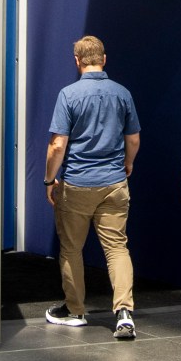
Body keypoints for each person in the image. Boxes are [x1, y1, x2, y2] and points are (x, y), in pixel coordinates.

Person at [44, 35, 141, 339]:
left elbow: (58, 144)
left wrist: (49, 179)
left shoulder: (68, 94)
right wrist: (128, 163)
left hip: (78, 184)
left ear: (77, 61)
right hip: (114, 183)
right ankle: (124, 311)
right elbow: (134, 138)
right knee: (116, 248)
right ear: (104, 58)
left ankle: (75, 311)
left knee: (72, 249)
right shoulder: (122, 93)